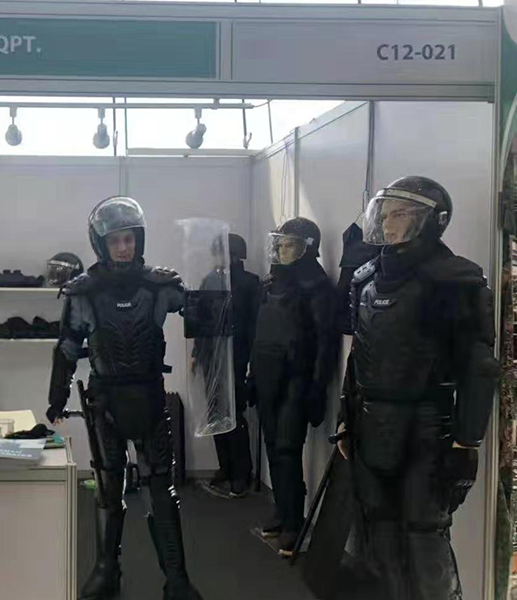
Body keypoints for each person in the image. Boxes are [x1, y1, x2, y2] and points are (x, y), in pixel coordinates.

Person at [338, 176, 497, 600]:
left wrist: (466, 443)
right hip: (370, 421)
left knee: (425, 534)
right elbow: (359, 354)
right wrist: (345, 417)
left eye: (401, 215)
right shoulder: (366, 278)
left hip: (427, 427)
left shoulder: (454, 279)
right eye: (386, 214)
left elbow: (479, 367)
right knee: (380, 531)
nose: (389, 224)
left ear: (431, 221)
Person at [46, 196, 202, 600]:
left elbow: (198, 312)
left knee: (161, 490)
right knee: (108, 488)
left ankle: (177, 578)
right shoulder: (84, 292)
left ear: (139, 240)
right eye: (115, 240)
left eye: (129, 239)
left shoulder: (159, 286)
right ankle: (106, 570)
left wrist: (210, 298)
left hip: (149, 396)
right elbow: (67, 348)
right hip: (106, 402)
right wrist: (56, 396)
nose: (123, 248)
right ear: (101, 244)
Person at [250, 217, 338, 556]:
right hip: (267, 376)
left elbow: (326, 342)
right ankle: (282, 511)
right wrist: (251, 375)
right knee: (273, 447)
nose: (282, 250)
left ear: (307, 248)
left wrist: (317, 387)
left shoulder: (317, 287)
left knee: (287, 451)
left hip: (296, 380)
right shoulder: (271, 284)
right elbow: (259, 334)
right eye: (281, 244)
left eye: (290, 245)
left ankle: (293, 522)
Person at [200, 233, 259, 499]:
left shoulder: (249, 283)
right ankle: (225, 467)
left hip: (237, 355)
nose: (218, 257)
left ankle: (241, 473)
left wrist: (251, 362)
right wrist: (197, 352)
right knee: (216, 415)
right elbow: (201, 318)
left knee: (234, 415)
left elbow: (253, 325)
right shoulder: (210, 280)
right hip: (212, 356)